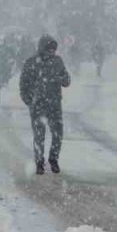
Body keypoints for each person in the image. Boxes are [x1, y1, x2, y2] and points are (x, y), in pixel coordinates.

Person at [19, 34, 71, 175]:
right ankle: (39, 162)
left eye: (54, 49)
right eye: (49, 48)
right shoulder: (31, 62)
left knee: (57, 134)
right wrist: (29, 100)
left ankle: (53, 159)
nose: (52, 51)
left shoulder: (58, 61)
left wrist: (62, 78)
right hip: (38, 105)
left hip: (54, 104)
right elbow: (24, 84)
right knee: (39, 135)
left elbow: (67, 81)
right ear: (42, 48)